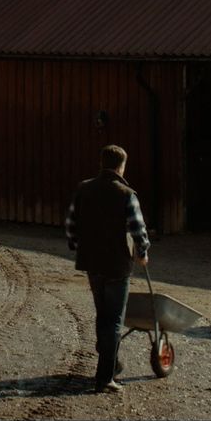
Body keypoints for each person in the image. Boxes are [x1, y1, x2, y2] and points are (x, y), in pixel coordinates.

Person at [65, 144, 150, 394]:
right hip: (117, 264)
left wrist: (77, 245)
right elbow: (138, 229)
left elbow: (71, 224)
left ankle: (111, 364)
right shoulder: (127, 194)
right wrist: (142, 253)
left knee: (102, 314)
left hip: (91, 262)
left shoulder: (83, 188)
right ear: (121, 166)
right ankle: (105, 377)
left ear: (101, 163)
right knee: (113, 320)